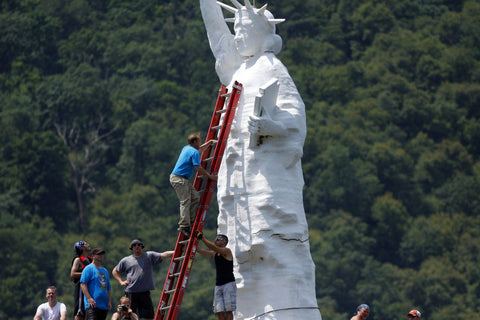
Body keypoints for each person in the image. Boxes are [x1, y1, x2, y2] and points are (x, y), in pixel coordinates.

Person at [199, 0, 320, 318]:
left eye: (245, 29)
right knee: (240, 255)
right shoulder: (239, 70)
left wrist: (269, 125)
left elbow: (296, 121)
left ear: (263, 33)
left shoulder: (272, 68)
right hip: (237, 186)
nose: (238, 36)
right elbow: (217, 34)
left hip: (267, 181)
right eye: (236, 29)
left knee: (274, 247)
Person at [112, 238, 174, 320]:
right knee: (129, 315)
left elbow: (163, 255)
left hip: (144, 292)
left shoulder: (149, 256)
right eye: (134, 245)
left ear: (142, 246)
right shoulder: (126, 260)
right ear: (132, 248)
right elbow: (115, 271)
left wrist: (176, 251)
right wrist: (121, 281)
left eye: (139, 244)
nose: (137, 246)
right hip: (131, 292)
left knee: (149, 316)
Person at [170, 132, 217, 236]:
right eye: (199, 141)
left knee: (195, 197)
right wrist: (210, 176)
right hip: (179, 179)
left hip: (181, 179)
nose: (200, 143)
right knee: (185, 201)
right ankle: (184, 225)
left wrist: (208, 143)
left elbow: (199, 149)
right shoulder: (194, 152)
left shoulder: (186, 148)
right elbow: (198, 168)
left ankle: (189, 222)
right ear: (195, 142)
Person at [195, 231, 236, 320]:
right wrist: (191, 245)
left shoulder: (226, 251)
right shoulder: (215, 254)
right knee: (218, 310)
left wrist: (202, 238)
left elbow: (212, 247)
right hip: (218, 285)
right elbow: (203, 251)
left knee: (229, 310)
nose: (216, 240)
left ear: (224, 242)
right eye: (216, 239)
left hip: (229, 284)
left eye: (219, 239)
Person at [80, 248, 112, 320]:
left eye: (102, 254)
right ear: (93, 256)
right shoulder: (89, 268)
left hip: (103, 306)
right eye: (99, 254)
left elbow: (108, 288)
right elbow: (83, 284)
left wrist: (109, 301)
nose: (101, 256)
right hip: (92, 305)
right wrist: (89, 298)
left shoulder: (105, 271)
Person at [71, 241, 92, 320]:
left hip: (89, 288)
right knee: (80, 313)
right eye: (86, 244)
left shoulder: (90, 260)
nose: (88, 245)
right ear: (82, 248)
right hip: (81, 289)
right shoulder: (78, 260)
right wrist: (85, 274)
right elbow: (73, 274)